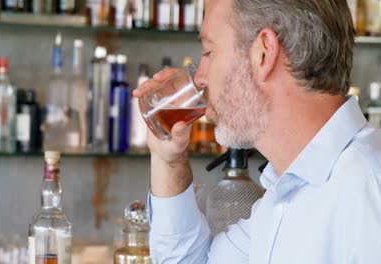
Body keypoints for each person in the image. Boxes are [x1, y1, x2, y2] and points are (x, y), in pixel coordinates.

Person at [133, 0, 381, 263]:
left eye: (208, 52)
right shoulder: (287, 191)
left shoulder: (368, 191)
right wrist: (168, 161)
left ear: (263, 53)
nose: (199, 78)